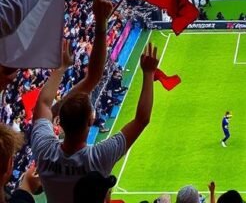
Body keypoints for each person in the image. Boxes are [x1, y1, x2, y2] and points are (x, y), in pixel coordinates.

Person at [31, 41, 158, 203]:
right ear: (91, 120)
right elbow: (142, 120)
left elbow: (43, 104)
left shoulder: (44, 149)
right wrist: (149, 74)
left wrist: (60, 68)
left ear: (59, 121)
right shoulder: (99, 157)